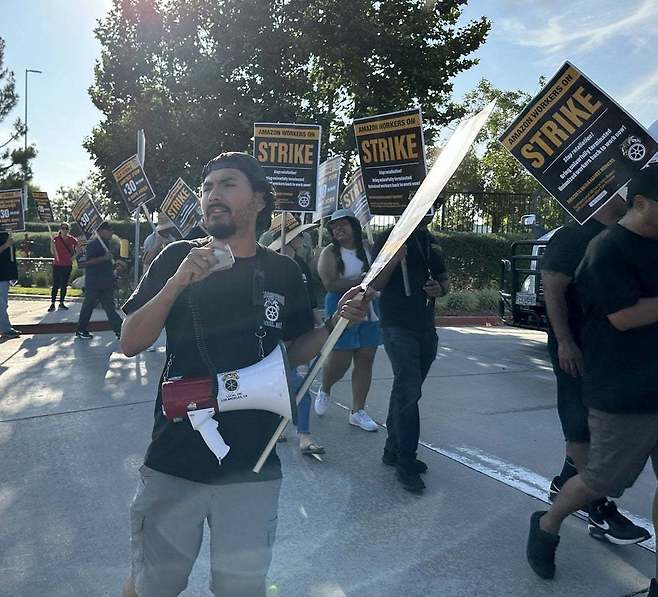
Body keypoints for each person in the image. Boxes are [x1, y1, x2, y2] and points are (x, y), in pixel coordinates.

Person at [119, 152, 368, 597]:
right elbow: (130, 341)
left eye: (227, 185)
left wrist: (335, 325)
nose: (212, 196)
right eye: (207, 187)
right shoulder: (178, 256)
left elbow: (294, 351)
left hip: (254, 465)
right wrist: (178, 282)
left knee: (242, 589)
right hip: (175, 460)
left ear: (258, 200)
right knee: (154, 585)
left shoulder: (284, 271)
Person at [527, 165, 658, 596]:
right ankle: (547, 523)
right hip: (623, 388)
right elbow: (624, 317)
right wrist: (564, 342)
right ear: (641, 204)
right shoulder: (606, 248)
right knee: (602, 479)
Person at [540, 196, 648, 544]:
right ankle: (597, 508)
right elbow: (552, 290)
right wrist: (564, 341)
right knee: (580, 427)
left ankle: (566, 482)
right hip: (577, 349)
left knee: (591, 431)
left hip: (618, 355)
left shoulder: (634, 237)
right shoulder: (573, 236)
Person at [371, 216, 449, 493]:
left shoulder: (431, 242)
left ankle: (392, 449)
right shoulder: (389, 238)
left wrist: (439, 289)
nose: (430, 211)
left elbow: (444, 280)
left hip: (426, 326)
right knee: (409, 392)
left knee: (405, 389)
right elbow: (375, 284)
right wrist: (393, 259)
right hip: (397, 325)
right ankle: (406, 460)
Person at [315, 208, 381, 432]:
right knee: (340, 362)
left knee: (366, 358)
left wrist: (373, 282)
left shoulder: (368, 247)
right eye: (334, 226)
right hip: (342, 306)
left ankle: (357, 411)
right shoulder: (330, 253)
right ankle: (325, 388)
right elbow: (330, 284)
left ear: (354, 225)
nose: (338, 229)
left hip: (370, 308)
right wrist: (359, 281)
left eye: (343, 224)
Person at [267, 213, 325, 455]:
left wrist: (316, 318)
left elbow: (309, 295)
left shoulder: (299, 264)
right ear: (288, 238)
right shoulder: (268, 264)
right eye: (298, 234)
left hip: (303, 333)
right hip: (278, 336)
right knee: (291, 384)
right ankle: (297, 432)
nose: (303, 238)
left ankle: (296, 431)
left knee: (301, 382)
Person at [75, 222, 123, 340]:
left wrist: (115, 265)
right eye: (109, 230)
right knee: (88, 307)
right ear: (101, 231)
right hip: (94, 283)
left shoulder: (107, 244)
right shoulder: (92, 244)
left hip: (106, 282)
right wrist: (103, 258)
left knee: (110, 308)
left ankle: (121, 331)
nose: (112, 233)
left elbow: (108, 261)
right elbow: (83, 263)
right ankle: (81, 330)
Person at [49, 222, 79, 312]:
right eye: (63, 228)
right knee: (55, 284)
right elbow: (52, 252)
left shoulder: (71, 239)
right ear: (60, 229)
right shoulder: (55, 239)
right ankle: (53, 303)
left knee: (64, 285)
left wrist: (74, 257)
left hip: (67, 265)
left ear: (68, 230)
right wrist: (51, 244)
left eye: (66, 228)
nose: (64, 230)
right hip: (57, 265)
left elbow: (79, 248)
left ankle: (61, 302)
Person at [0, 232, 20, 340]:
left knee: (2, 303)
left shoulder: (7, 234)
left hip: (5, 275)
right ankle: (5, 329)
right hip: (1, 275)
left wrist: (13, 274)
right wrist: (6, 245)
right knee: (2, 304)